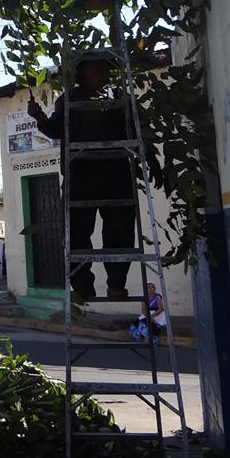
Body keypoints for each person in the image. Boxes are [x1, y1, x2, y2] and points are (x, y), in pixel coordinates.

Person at [27, 57, 162, 302]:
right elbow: (55, 130)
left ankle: (117, 284)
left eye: (105, 68)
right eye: (95, 68)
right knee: (77, 233)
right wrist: (38, 118)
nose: (102, 72)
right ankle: (82, 285)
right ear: (82, 74)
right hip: (80, 175)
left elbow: (138, 128)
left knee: (120, 232)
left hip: (117, 174)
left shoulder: (120, 97)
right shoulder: (68, 99)